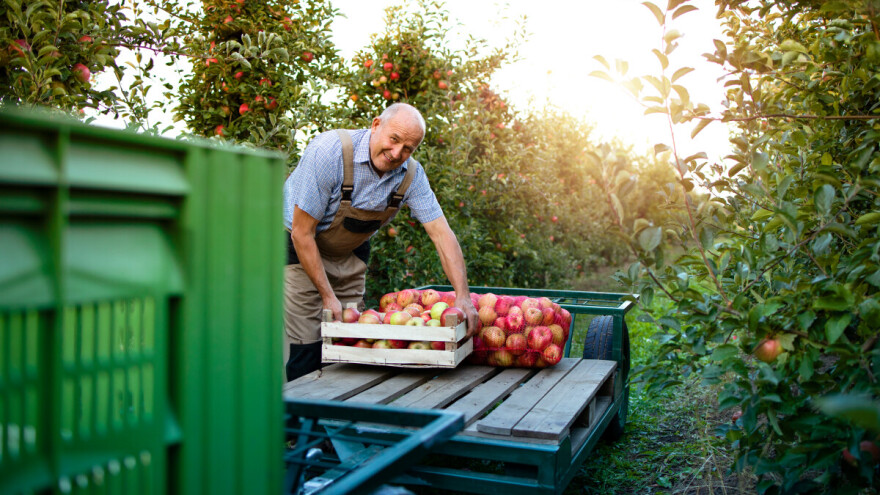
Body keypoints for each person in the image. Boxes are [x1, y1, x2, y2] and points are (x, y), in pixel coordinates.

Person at [282, 102, 479, 382]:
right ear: (376, 125)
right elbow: (302, 233)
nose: (397, 153)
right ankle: (301, 422)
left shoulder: (411, 175)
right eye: (394, 139)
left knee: (352, 342)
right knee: (308, 341)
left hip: (349, 253)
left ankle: (342, 421)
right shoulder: (330, 152)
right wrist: (328, 295)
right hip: (299, 248)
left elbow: (441, 233)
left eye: (408, 148)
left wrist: (463, 295)